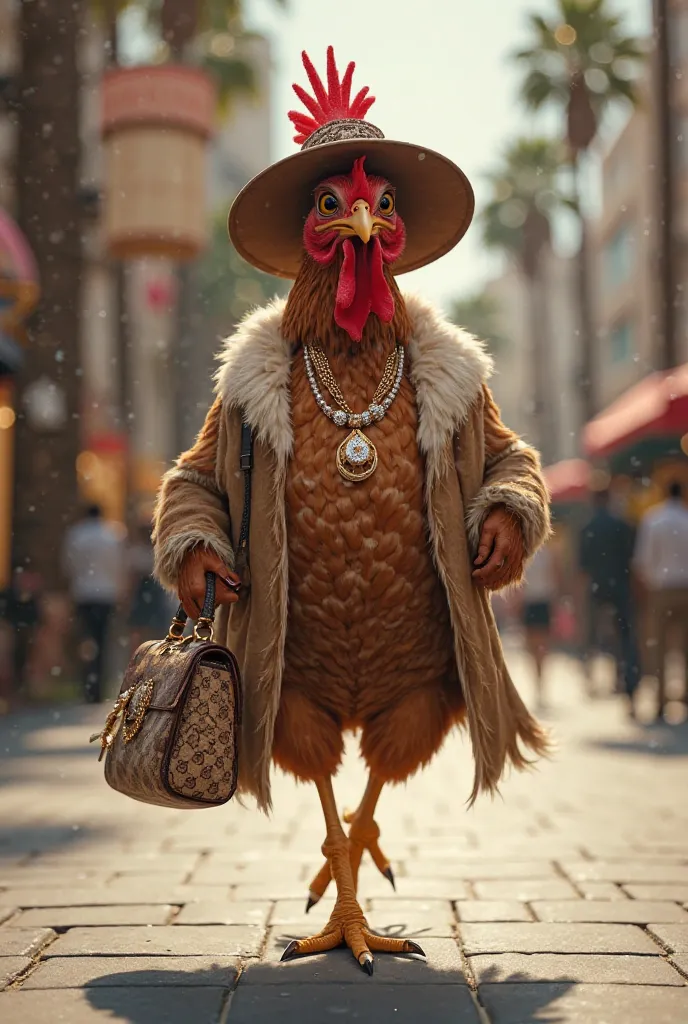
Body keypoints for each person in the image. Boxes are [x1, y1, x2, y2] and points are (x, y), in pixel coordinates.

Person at [578, 489, 640, 715]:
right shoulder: (621, 525)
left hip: (597, 586)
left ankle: (590, 678)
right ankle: (628, 685)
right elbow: (632, 558)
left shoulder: (587, 527)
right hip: (620, 585)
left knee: (592, 634)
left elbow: (582, 565)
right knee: (626, 636)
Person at [633, 480, 688, 720]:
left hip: (661, 589)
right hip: (686, 588)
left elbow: (643, 560)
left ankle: (661, 702)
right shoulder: (687, 519)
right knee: (685, 648)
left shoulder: (653, 519)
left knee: (660, 647)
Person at [62, 504, 124, 703]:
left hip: (83, 593)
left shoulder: (76, 535)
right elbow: (119, 565)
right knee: (103, 640)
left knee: (86, 640)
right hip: (106, 594)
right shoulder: (113, 535)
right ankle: (99, 687)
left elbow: (68, 564)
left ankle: (88, 685)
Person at [521, 542, 559, 708]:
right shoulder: (528, 553)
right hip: (534, 603)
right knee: (535, 647)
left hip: (539, 602)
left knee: (539, 647)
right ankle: (538, 682)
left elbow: (554, 579)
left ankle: (540, 683)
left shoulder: (543, 553)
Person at [127, 523, 174, 653]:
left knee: (139, 628)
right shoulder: (158, 552)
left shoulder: (137, 552)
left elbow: (132, 577)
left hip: (145, 591)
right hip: (153, 590)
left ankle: (139, 656)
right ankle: (153, 655)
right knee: (154, 628)